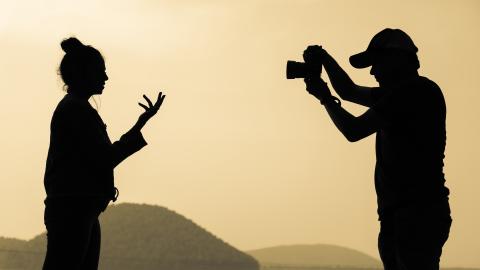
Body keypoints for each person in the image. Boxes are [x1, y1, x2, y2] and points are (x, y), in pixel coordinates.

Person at [302, 29, 451, 270]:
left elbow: (353, 130)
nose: (373, 72)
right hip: (406, 214)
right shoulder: (411, 92)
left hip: (414, 214)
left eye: (376, 64)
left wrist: (325, 99)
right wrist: (325, 59)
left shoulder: (411, 94)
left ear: (396, 60)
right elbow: (348, 91)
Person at [42, 37, 166, 270]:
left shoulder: (75, 108)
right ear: (84, 73)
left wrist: (139, 125)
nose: (106, 78)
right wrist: (139, 127)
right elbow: (105, 159)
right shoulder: (76, 110)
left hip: (78, 208)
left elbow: (100, 158)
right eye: (101, 71)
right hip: (74, 209)